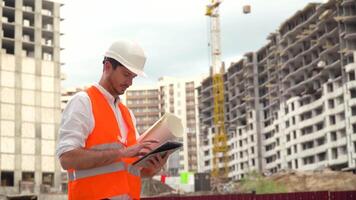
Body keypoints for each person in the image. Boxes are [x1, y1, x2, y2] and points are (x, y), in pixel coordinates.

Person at [56, 40, 168, 200]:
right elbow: (67, 159)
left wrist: (152, 168)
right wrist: (122, 153)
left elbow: (129, 171)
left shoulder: (127, 114)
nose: (129, 82)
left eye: (133, 77)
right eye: (126, 74)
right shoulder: (83, 102)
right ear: (107, 67)